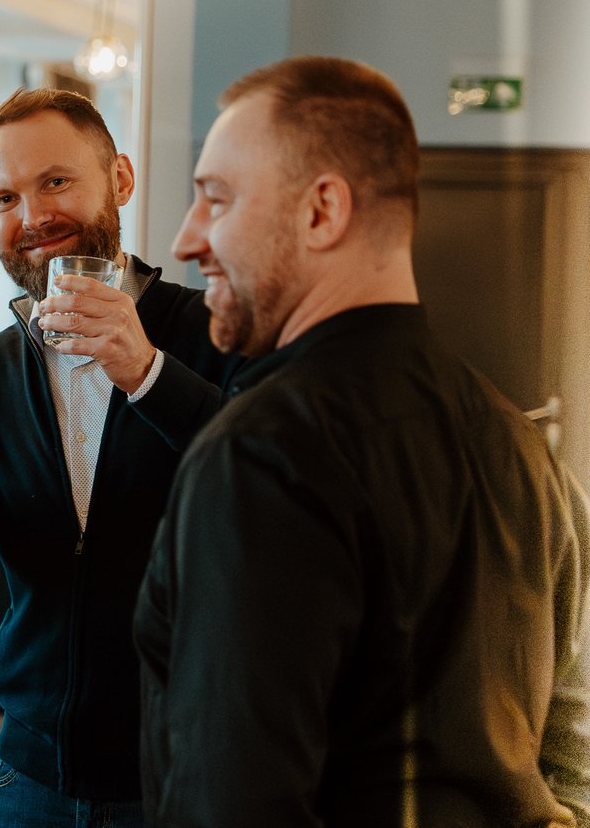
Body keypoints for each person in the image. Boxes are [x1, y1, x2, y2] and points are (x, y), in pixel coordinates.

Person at [135, 55, 590, 826]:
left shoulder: (261, 452)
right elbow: (562, 750)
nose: (187, 238)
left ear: (322, 211)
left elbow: (233, 803)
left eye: (216, 198)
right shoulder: (523, 446)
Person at [0, 88, 242, 826]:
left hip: (191, 771)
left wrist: (147, 374)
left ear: (120, 179)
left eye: (56, 181)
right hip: (30, 775)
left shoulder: (219, 334)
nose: (32, 217)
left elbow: (268, 506)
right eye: (3, 199)